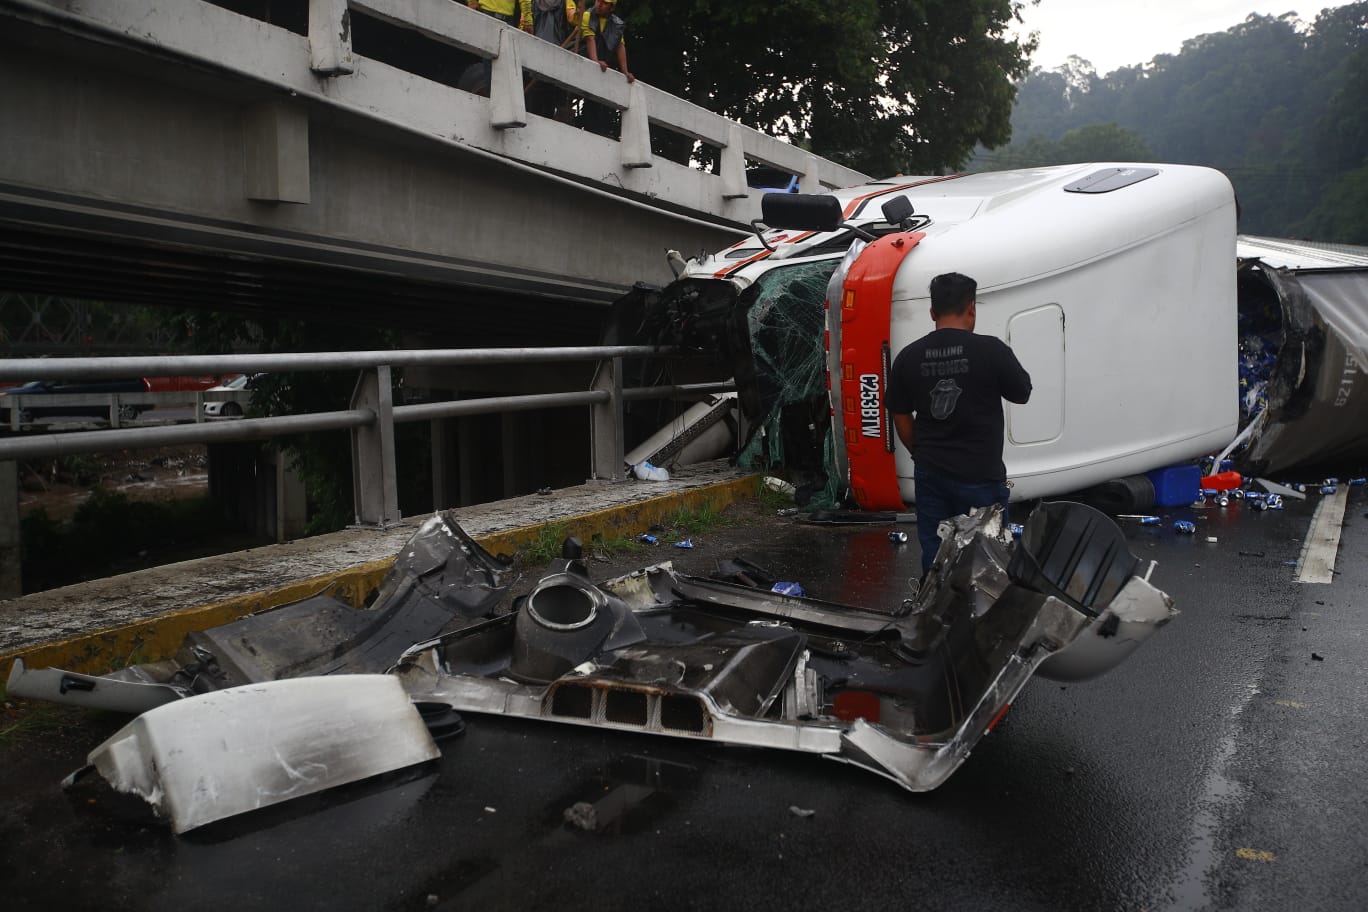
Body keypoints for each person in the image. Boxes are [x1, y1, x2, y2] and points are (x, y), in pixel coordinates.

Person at [886, 272, 1032, 574]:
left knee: (936, 550)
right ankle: (984, 612)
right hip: (982, 475)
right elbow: (1022, 393)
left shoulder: (909, 357)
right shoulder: (991, 350)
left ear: (932, 313)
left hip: (931, 474)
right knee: (988, 553)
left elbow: (899, 413)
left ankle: (933, 611)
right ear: (972, 309)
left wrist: (919, 451)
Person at [574, 0, 632, 82]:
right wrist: (595, 62)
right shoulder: (588, 15)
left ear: (612, 8)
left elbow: (620, 46)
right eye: (598, 0)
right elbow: (590, 39)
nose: (599, 5)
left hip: (600, 65)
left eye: (604, 3)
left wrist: (625, 72)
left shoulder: (617, 24)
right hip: (580, 60)